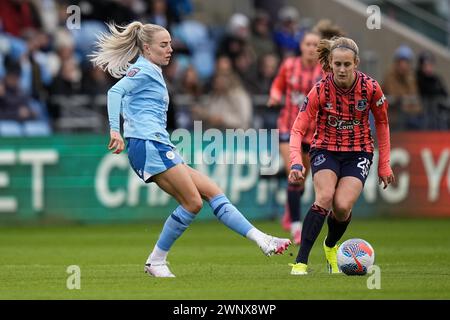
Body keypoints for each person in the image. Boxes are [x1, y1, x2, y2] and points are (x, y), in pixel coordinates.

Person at [90, 22, 291, 278]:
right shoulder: (143, 70)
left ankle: (263, 239)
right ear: (146, 47)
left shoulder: (150, 69)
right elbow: (114, 93)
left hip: (157, 142)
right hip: (148, 143)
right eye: (164, 45)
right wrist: (114, 130)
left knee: (212, 192)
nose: (170, 49)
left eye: (171, 44)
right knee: (193, 202)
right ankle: (156, 261)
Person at [288, 37, 395, 275]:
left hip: (358, 151)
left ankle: (330, 246)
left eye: (347, 64)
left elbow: (382, 123)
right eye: (337, 64)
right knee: (324, 197)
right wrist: (296, 161)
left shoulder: (371, 88)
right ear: (331, 63)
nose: (342, 69)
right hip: (325, 149)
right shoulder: (320, 90)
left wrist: (384, 165)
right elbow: (297, 128)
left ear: (356, 63)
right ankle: (301, 262)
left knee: (342, 206)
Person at [267, 31, 323, 245]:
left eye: (315, 44)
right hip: (288, 127)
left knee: (303, 179)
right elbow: (278, 84)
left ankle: (290, 211)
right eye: (308, 43)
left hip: (312, 131)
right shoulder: (289, 65)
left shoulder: (325, 71)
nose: (311, 48)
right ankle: (296, 227)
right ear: (301, 46)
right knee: (295, 171)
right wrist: (275, 95)